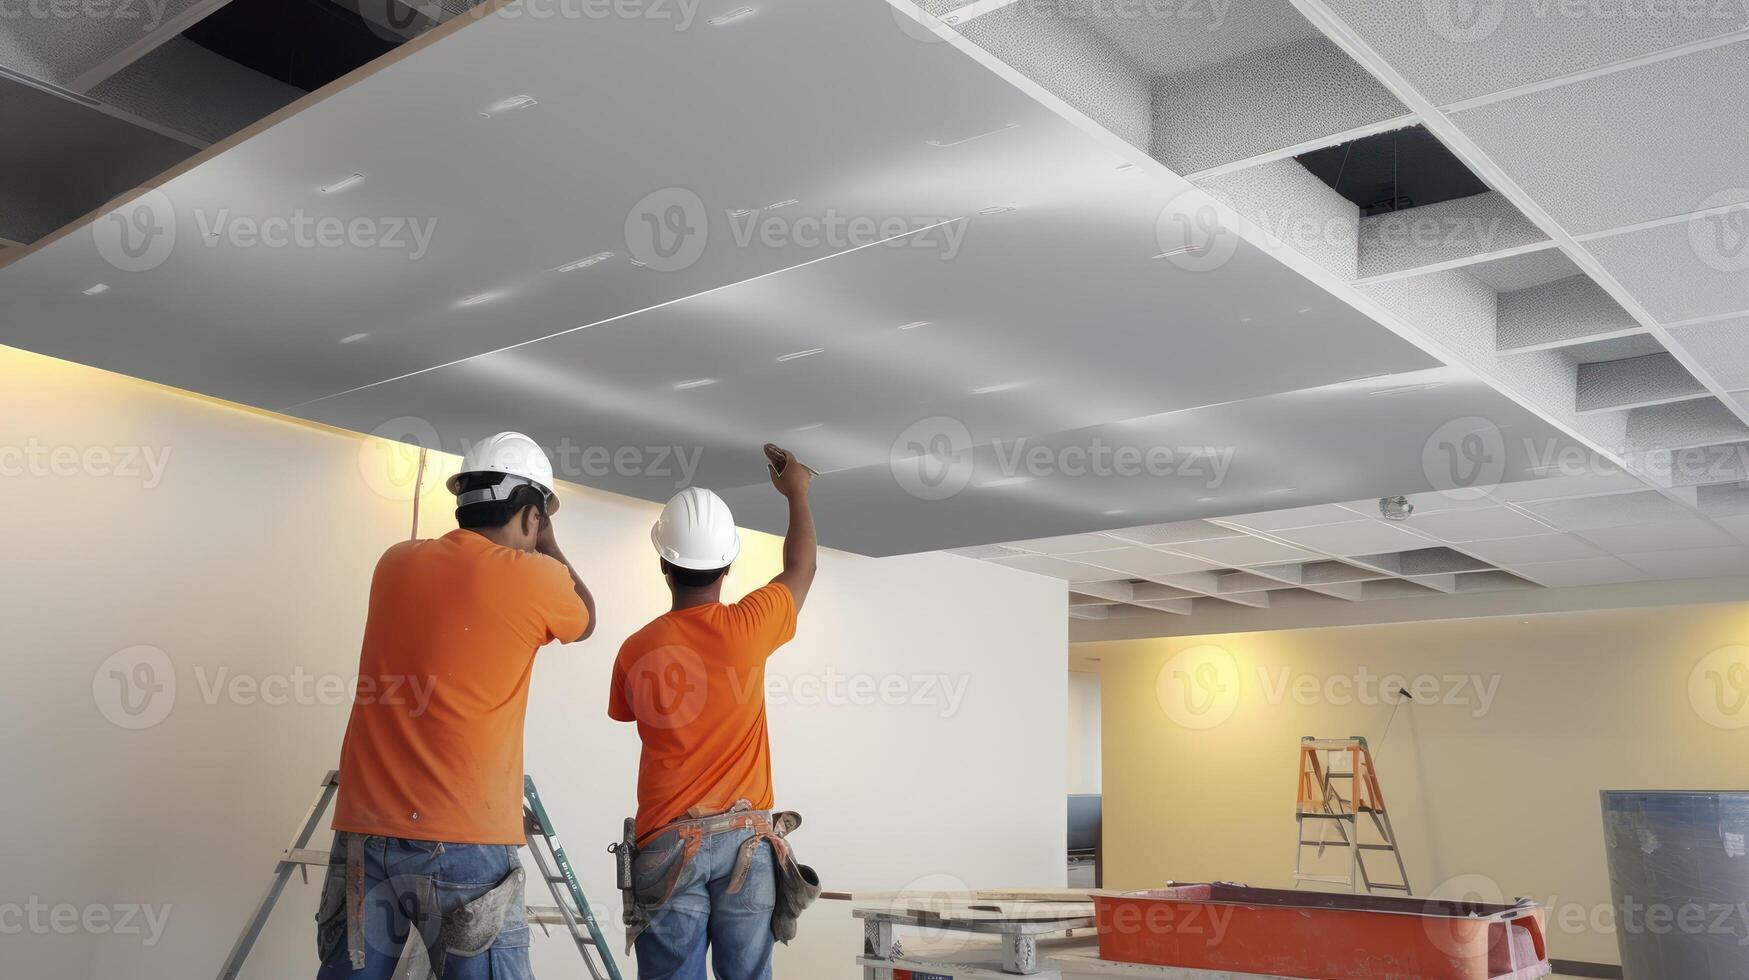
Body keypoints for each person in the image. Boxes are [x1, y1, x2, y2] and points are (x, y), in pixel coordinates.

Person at [318, 431, 596, 980]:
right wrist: (547, 539)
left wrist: (534, 526)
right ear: (530, 514)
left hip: (366, 832)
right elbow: (585, 617)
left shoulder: (393, 562)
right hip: (466, 838)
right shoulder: (535, 577)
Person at [609, 443, 817, 980]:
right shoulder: (750, 626)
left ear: (663, 563)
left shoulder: (635, 649)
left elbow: (629, 714)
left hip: (668, 841)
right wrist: (797, 493)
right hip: (747, 840)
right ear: (729, 563)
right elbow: (802, 567)